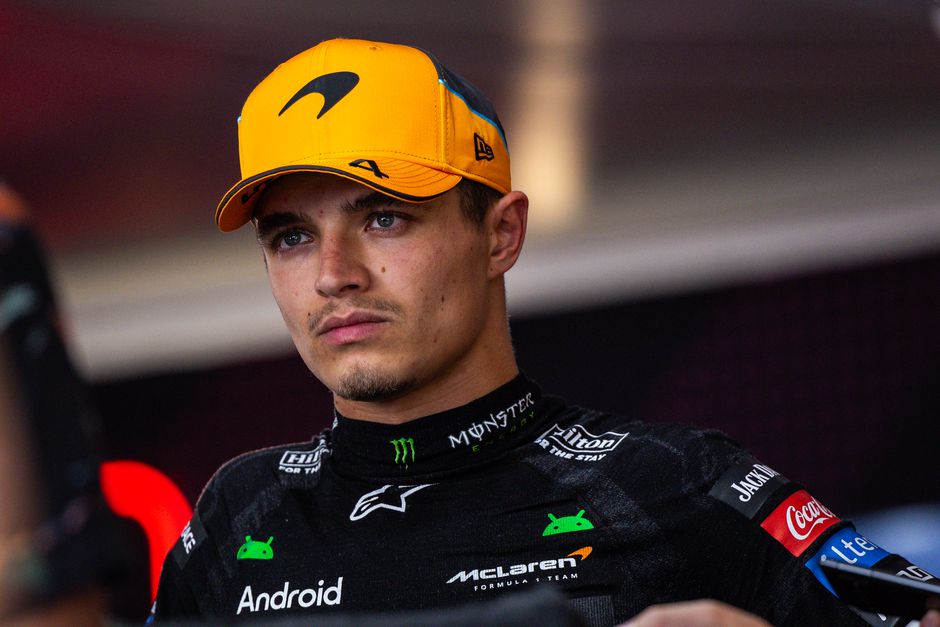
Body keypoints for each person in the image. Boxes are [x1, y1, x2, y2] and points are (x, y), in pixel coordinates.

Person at [150, 38, 939, 626]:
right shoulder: (240, 514)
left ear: (501, 234)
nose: (333, 274)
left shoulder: (670, 482)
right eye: (291, 236)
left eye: (384, 218)